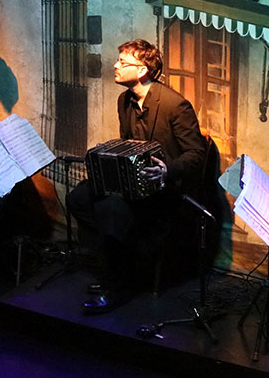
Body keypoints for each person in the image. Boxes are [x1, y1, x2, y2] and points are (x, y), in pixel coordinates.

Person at [66, 38, 208, 314]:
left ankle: (117, 284)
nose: (115, 66)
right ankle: (118, 266)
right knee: (79, 198)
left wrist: (167, 170)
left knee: (111, 208)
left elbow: (196, 154)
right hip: (133, 185)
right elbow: (128, 143)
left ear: (143, 70)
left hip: (164, 190)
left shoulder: (175, 105)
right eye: (118, 61)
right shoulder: (125, 101)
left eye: (123, 62)